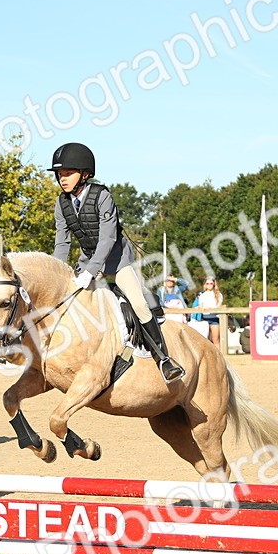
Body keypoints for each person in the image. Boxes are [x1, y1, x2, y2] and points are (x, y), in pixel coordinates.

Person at [50, 142, 183, 382]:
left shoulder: (102, 196)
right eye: (60, 174)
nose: (63, 179)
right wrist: (57, 274)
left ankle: (164, 359)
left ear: (85, 174)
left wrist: (92, 271)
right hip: (87, 261)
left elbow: (108, 238)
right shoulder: (62, 203)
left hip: (117, 260)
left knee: (139, 304)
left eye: (68, 173)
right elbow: (62, 244)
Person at [194, 276, 224, 346]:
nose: (209, 285)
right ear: (205, 284)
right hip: (205, 318)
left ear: (214, 284)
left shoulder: (218, 295)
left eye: (211, 283)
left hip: (214, 317)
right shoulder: (202, 295)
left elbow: (219, 306)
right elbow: (201, 306)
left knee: (215, 339)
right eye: (207, 283)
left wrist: (211, 308)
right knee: (206, 339)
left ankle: (218, 355)